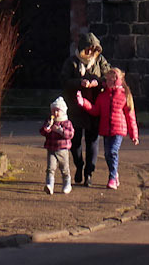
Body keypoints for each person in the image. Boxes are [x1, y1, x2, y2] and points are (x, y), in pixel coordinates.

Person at [62, 29, 108, 185]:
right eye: (88, 49)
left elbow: (108, 78)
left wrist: (98, 82)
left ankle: (89, 173)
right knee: (75, 142)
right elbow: (64, 81)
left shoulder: (100, 61)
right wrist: (79, 83)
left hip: (94, 107)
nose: (90, 52)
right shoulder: (72, 62)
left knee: (92, 141)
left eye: (93, 50)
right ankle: (79, 165)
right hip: (75, 108)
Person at [82, 65, 138, 189]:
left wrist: (134, 134)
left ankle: (112, 178)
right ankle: (114, 174)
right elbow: (96, 110)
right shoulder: (103, 96)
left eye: (111, 80)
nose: (108, 82)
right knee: (108, 154)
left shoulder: (124, 95)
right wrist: (84, 103)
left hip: (119, 130)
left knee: (112, 152)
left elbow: (130, 116)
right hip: (106, 129)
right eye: (107, 80)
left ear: (117, 80)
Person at [41, 97, 75, 195]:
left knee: (64, 168)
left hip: (63, 149)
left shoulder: (66, 122)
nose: (55, 113)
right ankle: (49, 185)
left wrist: (60, 130)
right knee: (50, 168)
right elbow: (43, 132)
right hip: (51, 149)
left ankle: (67, 183)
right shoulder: (49, 121)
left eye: (57, 111)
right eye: (53, 111)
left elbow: (70, 134)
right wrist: (47, 127)